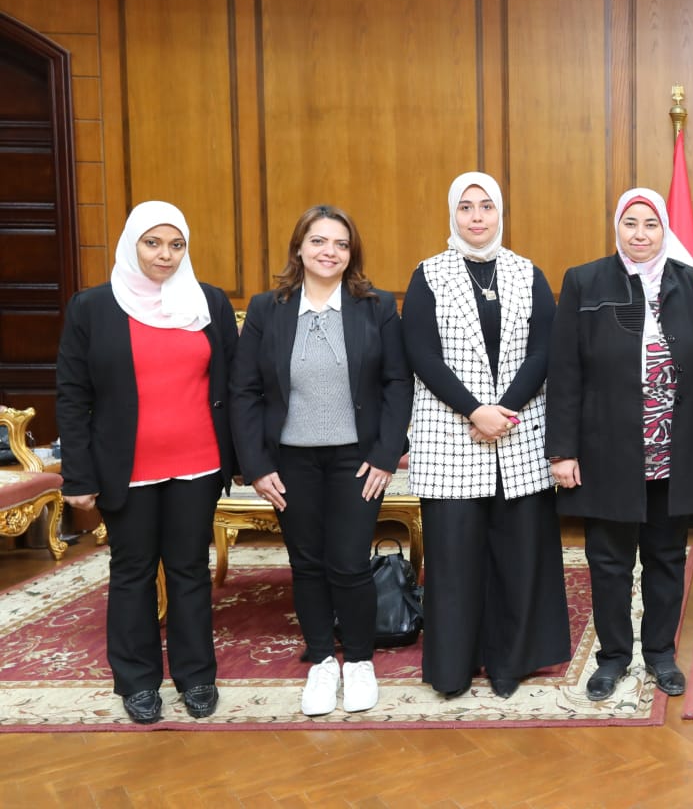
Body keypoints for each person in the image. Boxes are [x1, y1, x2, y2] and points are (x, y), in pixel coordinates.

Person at [56, 201, 238, 724]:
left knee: (189, 570)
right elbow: (72, 396)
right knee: (132, 571)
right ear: (131, 244)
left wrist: (243, 458)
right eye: (153, 243)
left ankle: (196, 676)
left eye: (176, 245)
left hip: (198, 463)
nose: (165, 255)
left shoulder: (208, 302)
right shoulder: (93, 307)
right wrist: (78, 475)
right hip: (126, 467)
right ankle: (137, 682)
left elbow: (233, 383)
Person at [546, 188, 693, 701]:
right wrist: (562, 450)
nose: (641, 234)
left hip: (674, 446)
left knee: (666, 556)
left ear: (664, 229)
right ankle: (612, 657)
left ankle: (660, 654)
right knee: (609, 561)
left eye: (651, 224)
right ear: (617, 228)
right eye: (631, 223)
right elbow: (565, 370)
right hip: (606, 448)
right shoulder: (585, 281)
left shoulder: (688, 281)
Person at [230, 205, 413, 716]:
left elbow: (398, 382)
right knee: (306, 564)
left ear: (351, 254)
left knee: (350, 562)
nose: (329, 251)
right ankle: (322, 663)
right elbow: (243, 390)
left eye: (340, 243)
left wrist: (387, 455)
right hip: (289, 461)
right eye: (318, 241)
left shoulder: (376, 307)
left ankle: (359, 661)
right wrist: (256, 466)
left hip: (358, 460)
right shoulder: (267, 309)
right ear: (299, 248)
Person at [403, 171, 570, 699]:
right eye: (466, 207)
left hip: (519, 436)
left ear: (500, 213)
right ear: (453, 214)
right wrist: (476, 410)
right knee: (454, 561)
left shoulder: (527, 272)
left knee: (519, 557)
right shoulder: (428, 274)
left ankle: (509, 663)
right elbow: (422, 354)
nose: (477, 217)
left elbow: (545, 350)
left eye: (486, 207)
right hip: (452, 435)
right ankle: (454, 668)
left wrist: (505, 410)